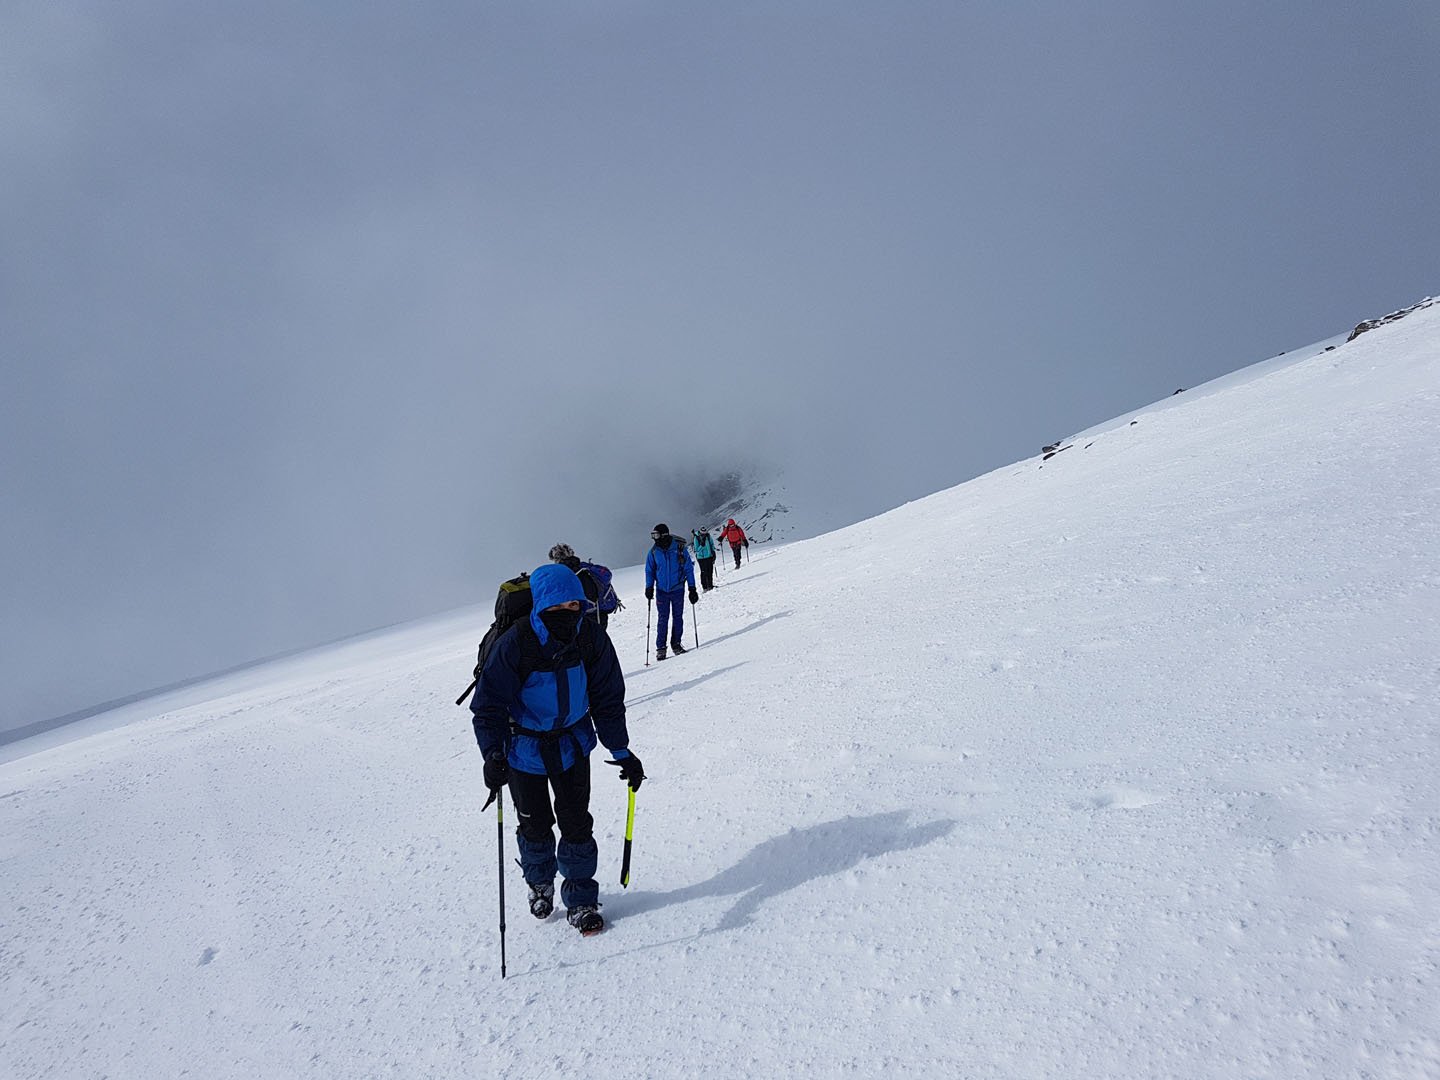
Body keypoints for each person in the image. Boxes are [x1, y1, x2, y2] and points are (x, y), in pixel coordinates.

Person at [470, 563, 645, 936]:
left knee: (577, 824)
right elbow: (488, 706)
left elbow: (608, 699)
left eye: (573, 606)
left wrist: (622, 750)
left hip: (572, 746)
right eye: (557, 607)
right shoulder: (517, 642)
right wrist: (493, 754)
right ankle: (540, 883)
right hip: (523, 751)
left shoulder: (590, 638)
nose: (567, 613)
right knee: (535, 826)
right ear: (541, 605)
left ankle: (581, 899)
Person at [644, 523, 698, 661]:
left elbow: (688, 569)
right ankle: (661, 648)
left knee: (677, 617)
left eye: (656, 535)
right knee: (663, 619)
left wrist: (692, 588)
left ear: (664, 535)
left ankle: (676, 644)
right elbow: (649, 570)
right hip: (662, 590)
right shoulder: (654, 552)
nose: (654, 538)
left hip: (677, 589)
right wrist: (649, 587)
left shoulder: (679, 549)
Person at [548, 543, 619, 631]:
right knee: (599, 642)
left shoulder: (562, 575)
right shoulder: (586, 568)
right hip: (600, 614)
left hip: (580, 618)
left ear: (556, 559)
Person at [691, 527, 718, 591]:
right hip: (701, 558)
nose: (704, 534)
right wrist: (701, 546)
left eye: (705, 532)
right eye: (703, 533)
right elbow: (696, 550)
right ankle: (705, 587)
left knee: (710, 571)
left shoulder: (708, 536)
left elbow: (711, 544)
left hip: (709, 556)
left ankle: (710, 585)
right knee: (704, 572)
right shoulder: (696, 538)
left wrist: (713, 552)